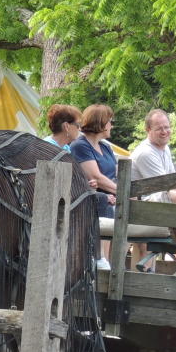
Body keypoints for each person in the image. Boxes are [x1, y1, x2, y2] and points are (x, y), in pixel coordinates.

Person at [70, 104, 116, 269]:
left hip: (112, 194)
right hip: (91, 195)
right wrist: (122, 192)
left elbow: (115, 175)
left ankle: (114, 264)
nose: (112, 125)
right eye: (110, 121)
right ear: (101, 122)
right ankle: (100, 259)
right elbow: (96, 177)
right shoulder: (80, 145)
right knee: (106, 202)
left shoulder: (105, 147)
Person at [130, 109, 176, 205]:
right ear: (148, 130)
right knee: (175, 196)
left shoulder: (165, 148)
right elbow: (165, 184)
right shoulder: (145, 152)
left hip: (158, 191)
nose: (164, 132)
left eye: (167, 127)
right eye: (159, 129)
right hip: (139, 202)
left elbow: (173, 178)